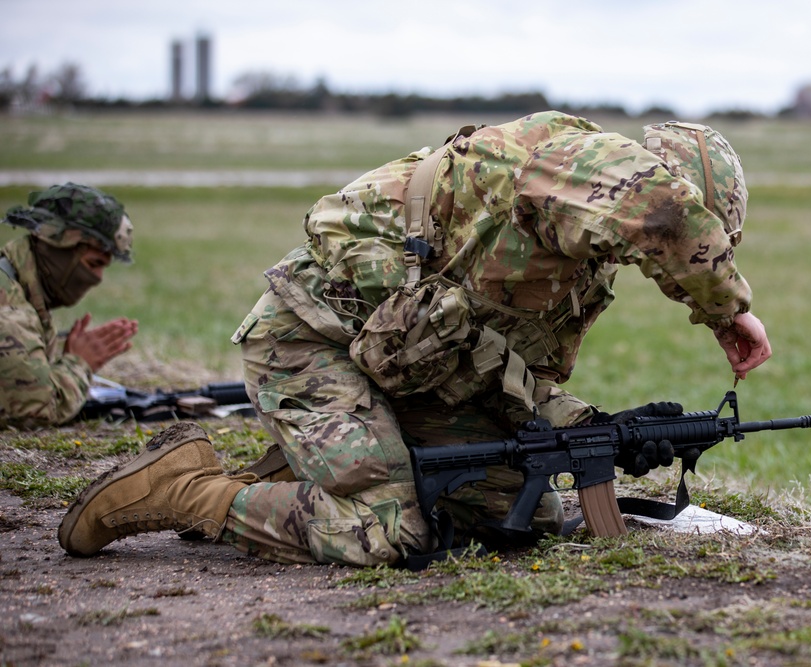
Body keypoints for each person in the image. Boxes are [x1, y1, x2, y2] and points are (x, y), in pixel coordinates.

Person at [58, 111, 771, 567]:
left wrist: (603, 428)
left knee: (518, 512)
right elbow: (662, 216)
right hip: (310, 338)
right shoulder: (567, 160)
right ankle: (189, 490)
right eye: (705, 238)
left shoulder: (578, 270)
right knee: (391, 529)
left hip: (404, 367)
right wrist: (726, 310)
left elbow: (505, 378)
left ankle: (312, 469)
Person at [0, 183, 139, 429]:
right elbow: (35, 409)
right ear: (60, 248)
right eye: (94, 263)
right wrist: (80, 363)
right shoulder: (11, 318)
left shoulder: (13, 287)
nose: (97, 278)